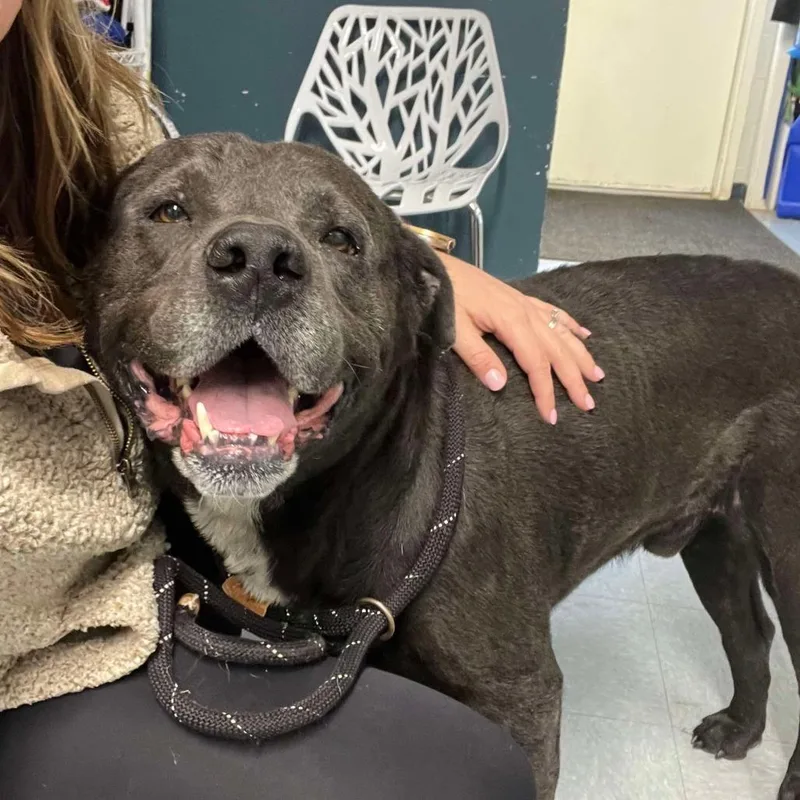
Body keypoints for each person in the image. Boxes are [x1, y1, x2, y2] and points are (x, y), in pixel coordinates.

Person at [0, 2, 602, 797]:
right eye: (171, 213)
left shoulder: (85, 100)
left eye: (336, 240)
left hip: (146, 579)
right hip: (32, 653)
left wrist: (411, 259)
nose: (256, 256)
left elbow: (250, 196)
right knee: (464, 769)